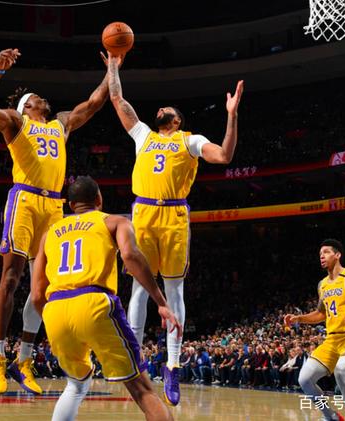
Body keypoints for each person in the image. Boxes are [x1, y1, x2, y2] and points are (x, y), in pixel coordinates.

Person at [105, 51, 244, 405]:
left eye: (167, 108)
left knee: (174, 291)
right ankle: (135, 356)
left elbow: (224, 156)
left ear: (177, 119)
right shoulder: (143, 135)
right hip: (143, 214)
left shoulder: (190, 140)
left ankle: (172, 364)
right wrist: (113, 66)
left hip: (175, 217)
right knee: (139, 289)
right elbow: (117, 98)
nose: (160, 109)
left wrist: (231, 116)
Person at [0, 48, 113, 395]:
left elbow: (94, 103)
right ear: (26, 106)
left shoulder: (60, 124)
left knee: (45, 288)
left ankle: (24, 359)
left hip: (53, 206)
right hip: (24, 199)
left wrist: (113, 68)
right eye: (35, 97)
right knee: (11, 277)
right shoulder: (16, 122)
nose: (42, 98)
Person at [31, 176, 181, 421]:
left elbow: (37, 294)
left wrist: (53, 319)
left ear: (71, 205)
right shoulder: (114, 221)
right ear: (99, 199)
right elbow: (130, 256)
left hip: (55, 309)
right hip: (93, 302)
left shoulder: (49, 235)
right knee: (142, 390)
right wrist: (161, 302)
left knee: (76, 384)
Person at [284, 239, 345, 421]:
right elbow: (321, 314)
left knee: (341, 370)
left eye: (326, 252)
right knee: (304, 379)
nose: (322, 256)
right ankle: (332, 417)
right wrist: (299, 318)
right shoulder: (322, 285)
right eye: (320, 254)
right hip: (331, 340)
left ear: (337, 255)